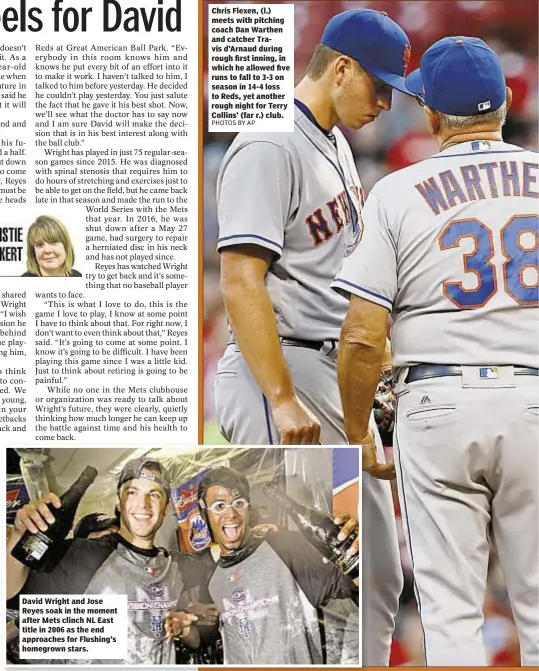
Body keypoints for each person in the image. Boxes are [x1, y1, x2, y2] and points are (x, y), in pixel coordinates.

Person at [213, 8, 413, 664]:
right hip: (285, 373)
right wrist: (281, 397)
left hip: (333, 374)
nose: (384, 103)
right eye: (378, 86)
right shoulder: (270, 143)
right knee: (300, 587)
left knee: (379, 575)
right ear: (340, 68)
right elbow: (240, 280)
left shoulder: (330, 138)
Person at [334, 36, 538, 666]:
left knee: (449, 618)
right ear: (504, 102)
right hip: (534, 398)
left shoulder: (397, 191)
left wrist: (359, 428)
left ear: (429, 114)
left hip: (436, 406)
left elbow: (365, 333)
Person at [7, 459, 218, 664]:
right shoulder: (83, 555)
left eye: (154, 494)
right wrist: (18, 535)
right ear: (119, 501)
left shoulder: (172, 565)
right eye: (132, 492)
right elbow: (9, 592)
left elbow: (216, 554)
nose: (143, 504)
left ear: (166, 506)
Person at [197, 467, 359, 665]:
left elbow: (353, 583)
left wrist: (358, 549)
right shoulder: (209, 578)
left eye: (239, 503)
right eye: (219, 506)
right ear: (204, 512)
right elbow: (205, 637)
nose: (231, 514)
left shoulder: (285, 548)